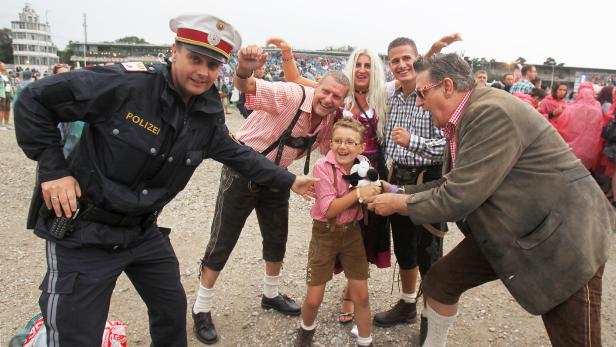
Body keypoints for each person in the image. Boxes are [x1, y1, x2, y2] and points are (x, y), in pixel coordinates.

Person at [14, 14, 316, 347]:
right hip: (84, 232)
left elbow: (237, 153)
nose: (202, 71)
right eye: (195, 59)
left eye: (213, 65)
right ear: (175, 50)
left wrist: (289, 181)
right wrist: (54, 170)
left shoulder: (207, 109)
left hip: (143, 232)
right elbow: (33, 99)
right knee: (76, 337)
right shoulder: (126, 84)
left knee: (172, 312)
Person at [366, 52, 614, 347]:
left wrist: (399, 205)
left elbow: (457, 197)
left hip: (563, 237)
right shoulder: (465, 115)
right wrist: (395, 191)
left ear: (446, 86)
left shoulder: (490, 113)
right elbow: (452, 183)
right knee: (441, 280)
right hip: (514, 229)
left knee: (574, 337)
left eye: (421, 93)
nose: (418, 102)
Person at [193, 45, 350, 344]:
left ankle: (270, 293)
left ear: (342, 100)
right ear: (317, 87)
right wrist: (243, 68)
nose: (328, 100)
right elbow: (245, 86)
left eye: (336, 97)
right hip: (243, 170)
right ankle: (201, 307)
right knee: (223, 238)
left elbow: (332, 152)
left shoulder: (330, 120)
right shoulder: (291, 95)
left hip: (280, 176)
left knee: (277, 237)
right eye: (326, 92)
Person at [269, 38, 391, 324]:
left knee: (365, 236)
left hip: (370, 171)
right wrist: (287, 53)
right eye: (358, 64)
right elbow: (295, 79)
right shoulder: (341, 96)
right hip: (339, 174)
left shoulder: (382, 98)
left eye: (368, 65)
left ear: (375, 71)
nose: (362, 69)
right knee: (337, 222)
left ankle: (350, 295)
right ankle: (321, 287)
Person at [372, 35, 455, 329]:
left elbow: (448, 146)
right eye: (395, 60)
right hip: (396, 180)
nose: (402, 64)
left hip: (428, 181)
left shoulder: (431, 94)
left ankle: (429, 317)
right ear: (390, 65)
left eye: (407, 58)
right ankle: (408, 304)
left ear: (417, 59)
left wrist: (413, 142)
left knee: (429, 255)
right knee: (405, 250)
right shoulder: (389, 96)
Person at [296, 118, 381, 347]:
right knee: (314, 299)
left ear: (361, 147)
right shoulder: (322, 167)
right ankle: (306, 331)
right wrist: (359, 193)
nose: (343, 147)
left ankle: (366, 340)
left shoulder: (364, 163)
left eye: (350, 142)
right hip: (325, 233)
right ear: (330, 142)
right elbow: (329, 208)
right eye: (338, 141)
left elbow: (373, 191)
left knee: (361, 296)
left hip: (353, 233)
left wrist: (374, 193)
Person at [0, 62, 12, 130]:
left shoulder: (5, 75)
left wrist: (6, 72)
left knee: (8, 109)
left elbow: (9, 83)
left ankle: (6, 123)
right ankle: (0, 124)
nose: (5, 67)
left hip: (8, 93)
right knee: (1, 109)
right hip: (2, 94)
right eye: (3, 66)